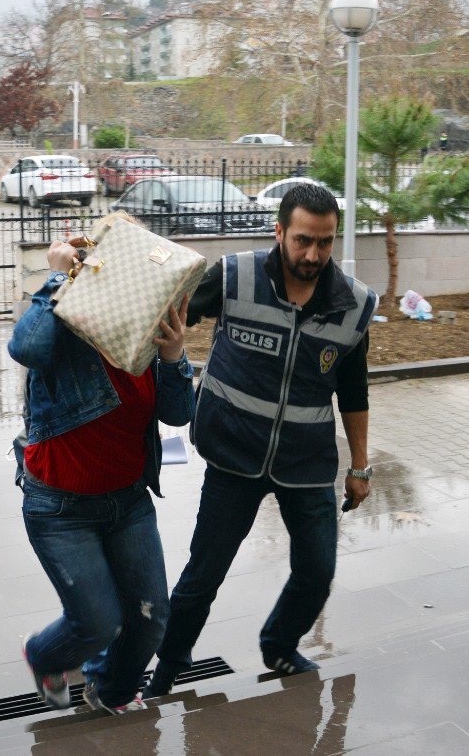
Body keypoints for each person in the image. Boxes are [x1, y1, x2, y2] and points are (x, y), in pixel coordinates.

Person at [144, 183, 377, 697]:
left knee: (317, 572)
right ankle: (167, 668)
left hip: (307, 463)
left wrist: (359, 465)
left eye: (324, 242)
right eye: (302, 241)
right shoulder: (234, 276)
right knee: (202, 576)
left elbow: (354, 391)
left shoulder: (354, 306)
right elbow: (169, 311)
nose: (313, 254)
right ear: (279, 233)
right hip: (233, 456)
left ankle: (279, 644)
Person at [8, 234, 195, 715]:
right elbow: (25, 346)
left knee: (151, 620)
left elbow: (178, 416)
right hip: (60, 507)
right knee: (97, 622)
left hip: (128, 501)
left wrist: (174, 357)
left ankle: (108, 693)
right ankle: (44, 656)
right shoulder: (66, 322)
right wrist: (59, 275)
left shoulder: (147, 333)